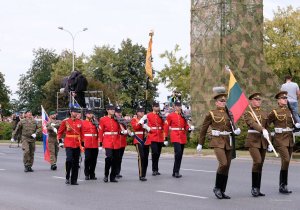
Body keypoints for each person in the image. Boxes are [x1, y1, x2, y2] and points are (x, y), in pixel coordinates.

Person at [197, 91, 241, 199]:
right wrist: (200, 143)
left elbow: (232, 125)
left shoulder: (229, 113)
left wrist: (236, 130)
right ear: (216, 103)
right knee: (223, 163)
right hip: (217, 141)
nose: (223, 103)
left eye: (224, 101)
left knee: (227, 167)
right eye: (221, 101)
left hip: (228, 140)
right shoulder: (211, 113)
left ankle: (222, 190)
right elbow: (204, 129)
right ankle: (216, 187)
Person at [267, 91, 300, 194]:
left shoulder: (290, 111)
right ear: (278, 100)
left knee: (286, 162)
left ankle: (283, 185)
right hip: (280, 139)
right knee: (285, 159)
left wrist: (296, 125)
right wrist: (268, 140)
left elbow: (293, 123)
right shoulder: (274, 112)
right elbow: (266, 124)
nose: (285, 99)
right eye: (282, 98)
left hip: (289, 139)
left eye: (286, 98)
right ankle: (283, 185)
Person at [243, 93, 270, 197]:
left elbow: (268, 128)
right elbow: (252, 124)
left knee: (260, 164)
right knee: (257, 161)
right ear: (251, 101)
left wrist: (270, 142)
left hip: (263, 140)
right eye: (256, 99)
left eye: (259, 99)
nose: (258, 101)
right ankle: (254, 188)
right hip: (253, 141)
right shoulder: (248, 113)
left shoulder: (264, 113)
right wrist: (262, 129)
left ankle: (258, 188)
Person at [164, 100, 194, 178]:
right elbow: (166, 127)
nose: (179, 107)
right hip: (175, 135)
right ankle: (176, 171)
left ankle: (176, 171)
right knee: (178, 152)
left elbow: (185, 125)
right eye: (177, 106)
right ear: (174, 107)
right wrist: (165, 138)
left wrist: (189, 128)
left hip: (182, 136)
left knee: (180, 155)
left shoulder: (183, 115)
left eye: (180, 106)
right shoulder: (170, 115)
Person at [57, 108, 83, 185]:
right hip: (69, 143)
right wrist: (60, 141)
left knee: (76, 162)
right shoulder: (65, 121)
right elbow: (59, 132)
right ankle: (67, 175)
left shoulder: (80, 122)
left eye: (77, 112)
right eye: (74, 112)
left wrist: (83, 144)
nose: (76, 113)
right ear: (71, 112)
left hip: (77, 144)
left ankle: (74, 180)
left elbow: (82, 134)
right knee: (69, 160)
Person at [139, 101, 164, 176]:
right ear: (153, 107)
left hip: (160, 136)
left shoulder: (161, 115)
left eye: (158, 106)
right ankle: (154, 169)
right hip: (152, 136)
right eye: (156, 106)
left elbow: (164, 125)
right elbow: (140, 122)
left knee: (158, 154)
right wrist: (147, 127)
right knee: (155, 152)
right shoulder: (148, 115)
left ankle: (156, 169)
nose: (157, 108)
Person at [98, 103, 121, 183]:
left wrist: (123, 131)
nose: (112, 111)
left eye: (113, 109)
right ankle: (106, 175)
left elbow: (119, 130)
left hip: (116, 141)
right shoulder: (103, 119)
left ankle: (112, 177)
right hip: (107, 141)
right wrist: (100, 144)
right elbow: (100, 132)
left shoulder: (117, 119)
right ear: (107, 110)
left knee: (116, 160)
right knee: (109, 158)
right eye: (111, 109)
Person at [131, 106, 150, 181]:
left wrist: (147, 126)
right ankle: (141, 175)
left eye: (143, 111)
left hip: (146, 139)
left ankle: (144, 174)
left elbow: (150, 128)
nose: (142, 113)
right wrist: (141, 121)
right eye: (140, 111)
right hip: (138, 140)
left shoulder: (146, 120)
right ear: (137, 112)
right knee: (141, 156)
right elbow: (135, 127)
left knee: (145, 158)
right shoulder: (134, 119)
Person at [81, 109, 99, 180]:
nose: (90, 115)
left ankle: (92, 174)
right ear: (86, 114)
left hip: (94, 143)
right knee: (88, 159)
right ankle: (87, 173)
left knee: (94, 159)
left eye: (91, 113)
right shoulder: (83, 122)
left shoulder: (95, 122)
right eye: (89, 113)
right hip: (87, 143)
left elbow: (99, 131)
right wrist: (82, 143)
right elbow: (81, 133)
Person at [114, 105, 128, 179]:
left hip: (122, 141)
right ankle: (114, 172)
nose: (119, 114)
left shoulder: (123, 121)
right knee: (115, 158)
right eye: (117, 112)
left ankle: (118, 172)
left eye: (120, 112)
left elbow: (127, 130)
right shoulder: (113, 120)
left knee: (120, 158)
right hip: (115, 141)